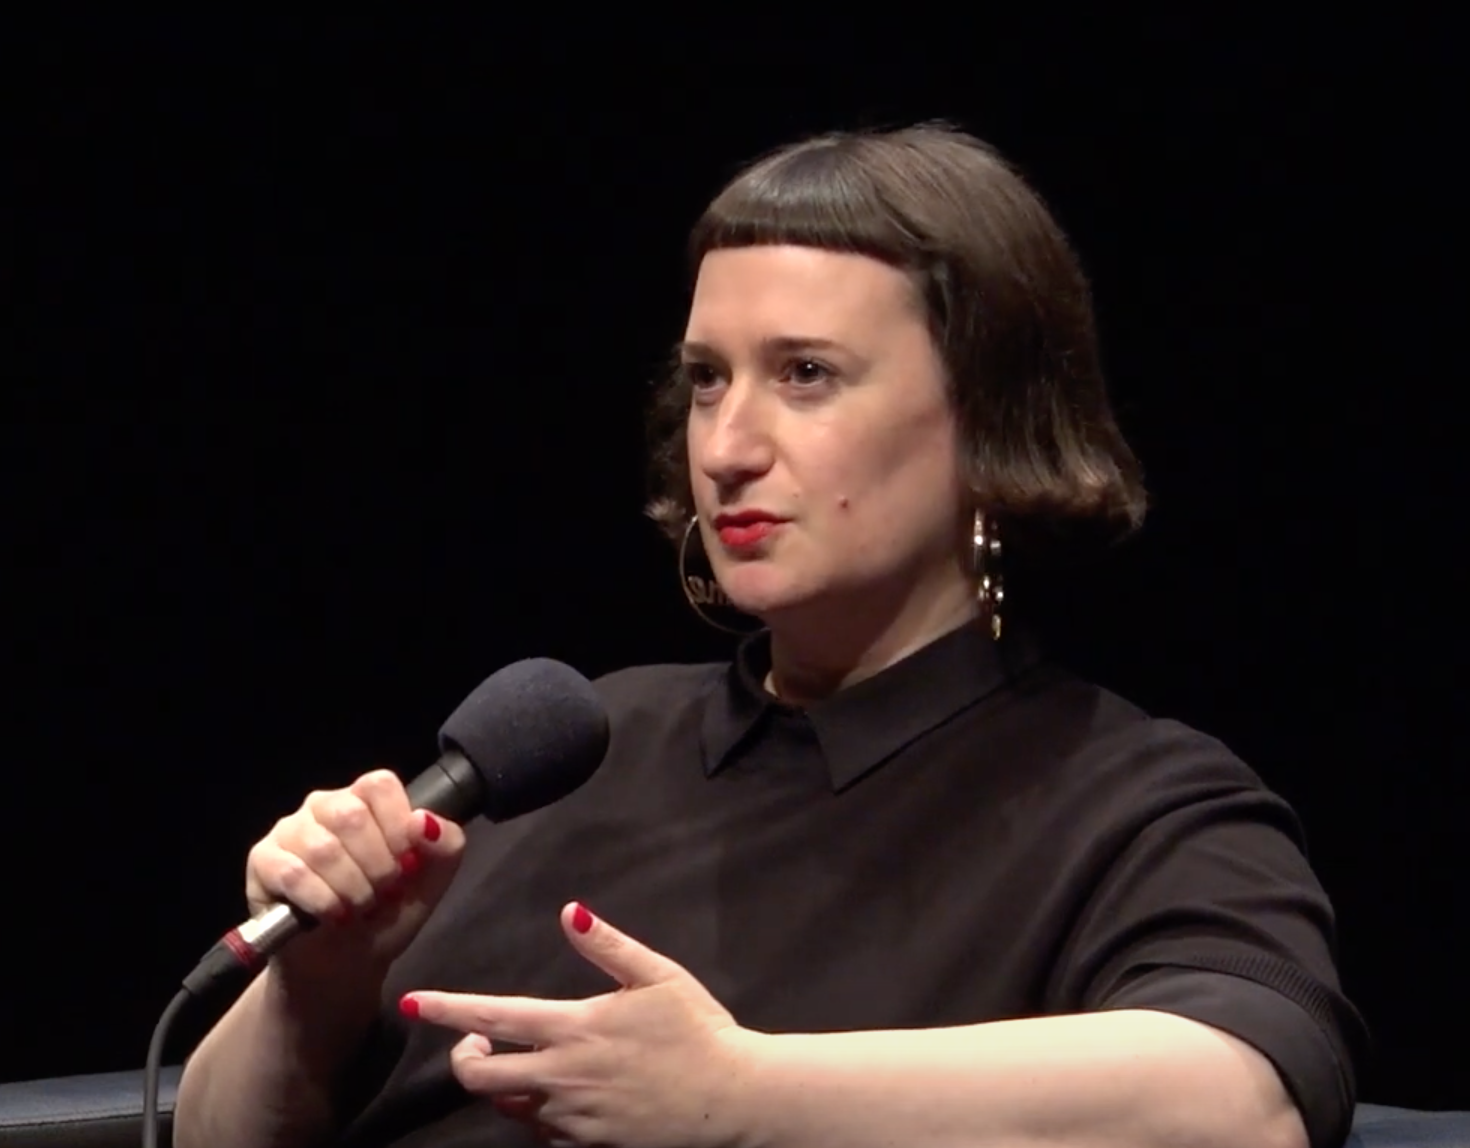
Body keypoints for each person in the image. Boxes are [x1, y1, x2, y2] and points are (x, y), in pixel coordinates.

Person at [172, 123, 1363, 1148]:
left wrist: (743, 1092)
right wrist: (314, 987)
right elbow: (207, 1130)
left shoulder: (1131, 802)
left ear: (989, 420)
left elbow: (1241, 1099)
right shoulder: (569, 748)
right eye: (705, 378)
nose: (727, 443)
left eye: (804, 373)